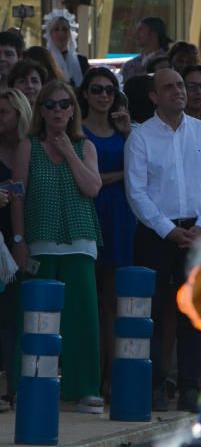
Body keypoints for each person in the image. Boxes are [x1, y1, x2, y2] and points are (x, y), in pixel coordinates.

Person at [124, 68, 201, 412]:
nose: (178, 91)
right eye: (168, 87)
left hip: (196, 233)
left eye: (181, 85)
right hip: (156, 234)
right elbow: (136, 193)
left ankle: (189, 387)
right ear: (154, 96)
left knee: (192, 312)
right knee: (150, 312)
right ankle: (153, 384)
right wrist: (167, 229)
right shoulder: (140, 137)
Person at [11, 80, 103, 413]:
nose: (57, 111)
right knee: (35, 319)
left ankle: (85, 388)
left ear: (73, 109)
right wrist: (19, 241)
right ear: (41, 111)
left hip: (79, 239)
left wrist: (68, 152)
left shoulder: (84, 146)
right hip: (41, 240)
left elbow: (92, 188)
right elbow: (18, 196)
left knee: (83, 320)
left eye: (64, 104)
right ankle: (31, 383)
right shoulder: (28, 146)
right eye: (50, 105)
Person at [79, 67, 137, 400]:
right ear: (85, 94)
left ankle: (112, 378)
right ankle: (89, 375)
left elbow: (141, 169)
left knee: (114, 303)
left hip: (121, 218)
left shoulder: (122, 130)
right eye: (97, 89)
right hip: (89, 214)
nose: (103, 95)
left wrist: (128, 132)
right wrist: (118, 175)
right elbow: (90, 179)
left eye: (109, 90)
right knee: (89, 303)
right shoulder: (78, 131)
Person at [0, 88, 32, 407]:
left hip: (22, 239)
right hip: (0, 240)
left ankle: (15, 386)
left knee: (17, 315)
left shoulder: (31, 148)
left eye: (5, 112)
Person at [42, 9, 89, 87]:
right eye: (56, 29)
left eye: (64, 29)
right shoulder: (45, 60)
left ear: (70, 34)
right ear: (50, 34)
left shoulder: (82, 61)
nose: (61, 33)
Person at [121, 17, 172, 82]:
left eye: (140, 30)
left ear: (153, 34)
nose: (136, 34)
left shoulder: (167, 62)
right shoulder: (129, 65)